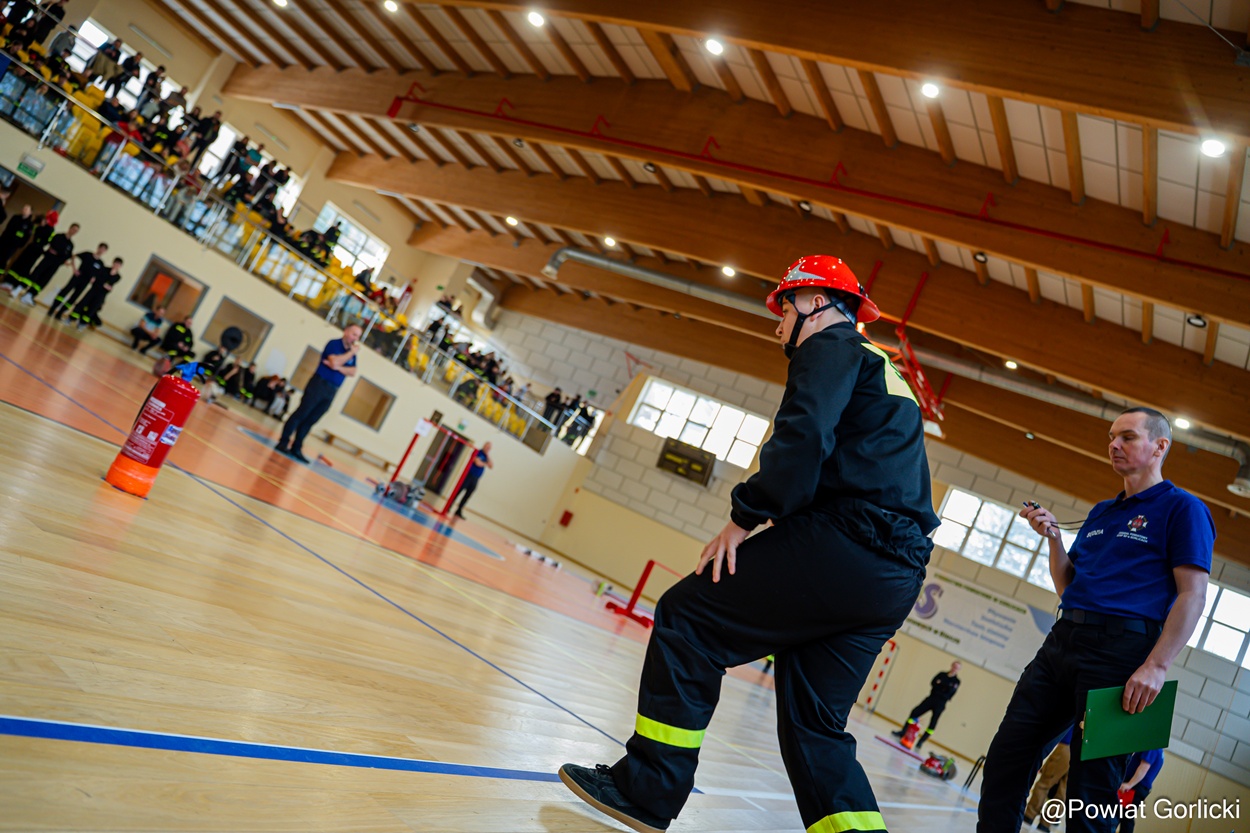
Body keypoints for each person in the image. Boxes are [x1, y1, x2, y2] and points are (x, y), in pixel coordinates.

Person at [559, 255, 939, 833]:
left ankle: (646, 791)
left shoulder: (831, 345)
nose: (778, 324)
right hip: (896, 576)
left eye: (783, 308)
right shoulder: (882, 369)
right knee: (814, 724)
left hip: (848, 541)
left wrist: (745, 517)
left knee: (688, 618)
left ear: (814, 302)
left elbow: (804, 437)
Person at [977, 407, 1212, 833]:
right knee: (1007, 759)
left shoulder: (1184, 509)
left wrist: (1157, 666)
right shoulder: (1103, 512)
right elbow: (1069, 586)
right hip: (1062, 642)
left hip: (1122, 657)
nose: (1114, 445)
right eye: (1111, 437)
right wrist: (1054, 540)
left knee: (1091, 796)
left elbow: (1192, 595)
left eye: (1127, 437)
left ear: (1160, 446)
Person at [276, 323, 361, 464]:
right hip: (319, 384)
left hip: (332, 390)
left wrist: (338, 366)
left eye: (358, 336)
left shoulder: (351, 354)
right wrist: (349, 355)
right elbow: (334, 363)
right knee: (301, 414)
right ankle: (283, 442)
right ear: (346, 331)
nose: (355, 338)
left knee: (312, 419)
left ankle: (296, 447)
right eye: (354, 334)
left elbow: (352, 372)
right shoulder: (334, 345)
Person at [890, 661, 961, 750]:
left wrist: (941, 684)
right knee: (915, 712)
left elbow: (950, 693)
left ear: (958, 670)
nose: (954, 669)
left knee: (933, 723)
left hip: (941, 703)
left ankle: (921, 742)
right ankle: (903, 732)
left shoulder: (956, 681)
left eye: (957, 668)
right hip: (931, 698)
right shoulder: (942, 674)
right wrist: (943, 687)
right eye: (954, 666)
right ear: (951, 666)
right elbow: (933, 683)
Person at [14, 220, 76, 305]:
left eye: (76, 231)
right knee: (35, 274)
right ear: (70, 228)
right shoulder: (58, 236)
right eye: (73, 229)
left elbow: (66, 256)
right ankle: (18, 289)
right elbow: (53, 246)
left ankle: (29, 295)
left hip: (55, 265)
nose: (74, 231)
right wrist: (58, 253)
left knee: (43, 280)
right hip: (47, 260)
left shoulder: (71, 245)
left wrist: (62, 258)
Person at [1023, 727, 1072, 831]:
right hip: (1080, 753)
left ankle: (1030, 814)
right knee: (1063, 792)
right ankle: (1046, 823)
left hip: (1065, 746)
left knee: (1044, 783)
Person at [47, 242, 106, 321]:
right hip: (77, 277)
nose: (101, 250)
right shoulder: (87, 254)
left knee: (74, 297)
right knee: (65, 291)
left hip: (85, 282)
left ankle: (60, 313)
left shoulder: (101, 264)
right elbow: (74, 256)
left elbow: (99, 275)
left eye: (104, 250)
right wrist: (74, 269)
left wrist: (94, 278)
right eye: (101, 248)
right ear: (98, 248)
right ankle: (52, 309)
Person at [1116, 748, 1163, 833]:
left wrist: (1129, 784)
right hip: (1138, 787)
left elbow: (1144, 767)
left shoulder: (1152, 747)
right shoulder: (1159, 750)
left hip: (1135, 787)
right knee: (1124, 815)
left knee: (1126, 816)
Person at [70, 256, 121, 330]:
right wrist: (104, 284)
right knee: (82, 304)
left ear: (120, 266)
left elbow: (110, 287)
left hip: (101, 295)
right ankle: (71, 318)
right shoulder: (104, 269)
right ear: (113, 263)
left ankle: (82, 324)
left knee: (92, 309)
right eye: (116, 263)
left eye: (118, 264)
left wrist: (105, 285)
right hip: (94, 290)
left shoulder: (118, 277)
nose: (116, 265)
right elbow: (98, 280)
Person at [449, 442, 492, 519]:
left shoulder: (486, 457)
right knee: (458, 491)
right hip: (468, 475)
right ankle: (449, 506)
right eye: (487, 447)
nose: (487, 449)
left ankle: (458, 510)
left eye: (489, 448)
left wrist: (487, 457)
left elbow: (491, 466)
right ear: (484, 445)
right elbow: (477, 463)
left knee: (468, 495)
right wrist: (485, 463)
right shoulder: (477, 452)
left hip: (476, 478)